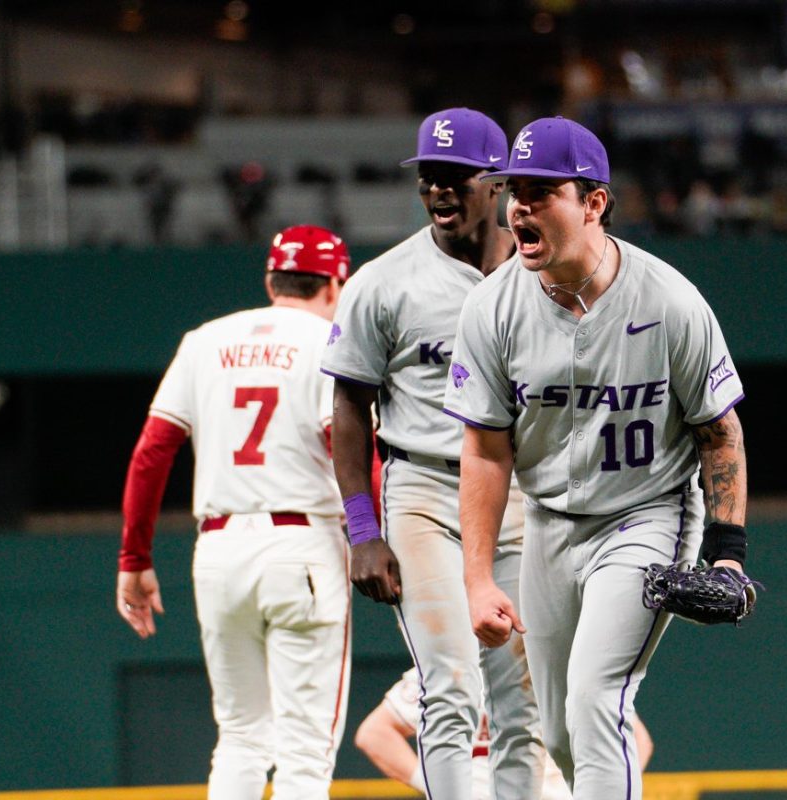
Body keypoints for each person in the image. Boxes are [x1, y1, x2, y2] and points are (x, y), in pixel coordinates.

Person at [443, 117, 750, 800]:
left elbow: (718, 431)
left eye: (541, 191)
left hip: (648, 515)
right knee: (557, 730)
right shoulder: (492, 308)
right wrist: (477, 577)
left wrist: (727, 553)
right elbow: (485, 451)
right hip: (549, 523)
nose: (518, 205)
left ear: (594, 202)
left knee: (595, 698)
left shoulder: (669, 301)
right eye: (513, 190)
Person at [321, 108, 544, 799]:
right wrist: (363, 530)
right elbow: (349, 408)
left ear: (497, 182)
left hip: (522, 495)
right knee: (450, 684)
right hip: (424, 493)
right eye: (428, 179)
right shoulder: (383, 283)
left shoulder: (546, 275)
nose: (439, 191)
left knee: (524, 700)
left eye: (455, 177)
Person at [116, 225, 354, 799]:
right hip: (302, 546)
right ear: (335, 281)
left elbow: (153, 451)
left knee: (242, 737)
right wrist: (380, 532)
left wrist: (134, 557)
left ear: (271, 279)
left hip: (218, 551)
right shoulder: (329, 340)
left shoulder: (205, 340)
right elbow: (344, 448)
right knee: (304, 752)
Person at [355, 668, 654, 799]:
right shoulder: (450, 668)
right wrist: (440, 787)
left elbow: (636, 740)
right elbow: (375, 733)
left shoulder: (558, 665)